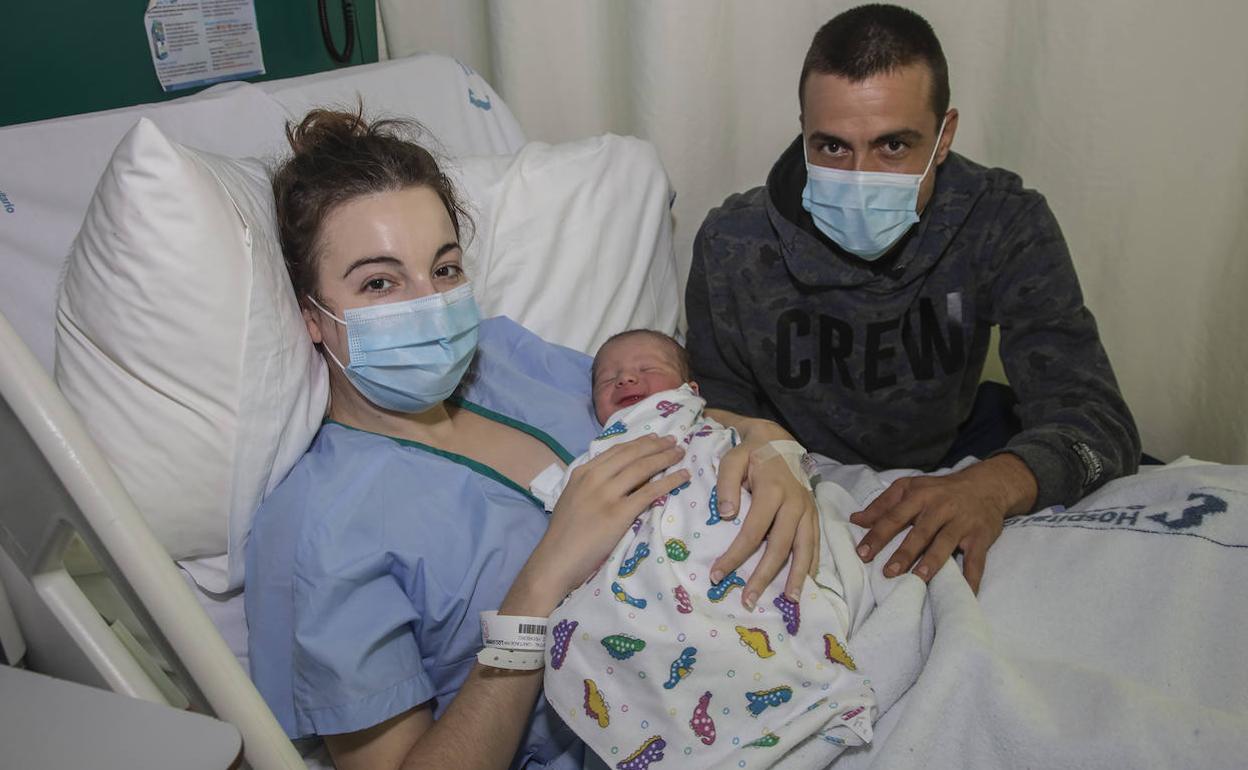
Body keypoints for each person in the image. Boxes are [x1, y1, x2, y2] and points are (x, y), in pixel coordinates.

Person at [244, 108, 820, 770]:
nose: (430, 305)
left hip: (768, 640)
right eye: (380, 282)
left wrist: (766, 442)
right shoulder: (317, 530)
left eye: (445, 269)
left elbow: (661, 408)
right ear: (312, 317)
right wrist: (543, 581)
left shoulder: (504, 355)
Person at [684, 4, 1141, 593]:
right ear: (803, 129)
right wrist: (760, 448)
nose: (860, 177)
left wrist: (994, 484)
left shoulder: (1000, 222)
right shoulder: (734, 243)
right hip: (799, 476)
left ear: (943, 137)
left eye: (894, 145)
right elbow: (715, 412)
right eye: (831, 147)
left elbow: (1096, 419)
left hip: (953, 451)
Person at [537, 330, 876, 768]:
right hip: (644, 581)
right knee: (587, 631)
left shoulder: (716, 430)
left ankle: (798, 699)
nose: (625, 380)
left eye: (647, 369)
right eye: (609, 378)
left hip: (722, 549)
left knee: (766, 597)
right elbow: (570, 514)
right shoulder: (597, 456)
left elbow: (773, 463)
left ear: (690, 390)